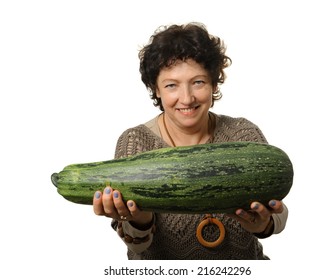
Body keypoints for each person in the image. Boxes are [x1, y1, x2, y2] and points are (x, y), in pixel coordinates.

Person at [93, 22, 288, 260]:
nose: (186, 98)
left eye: (198, 82)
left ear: (214, 84)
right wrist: (140, 219)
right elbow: (138, 248)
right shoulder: (136, 143)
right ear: (156, 88)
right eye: (171, 85)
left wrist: (263, 225)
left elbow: (277, 211)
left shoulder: (242, 133)